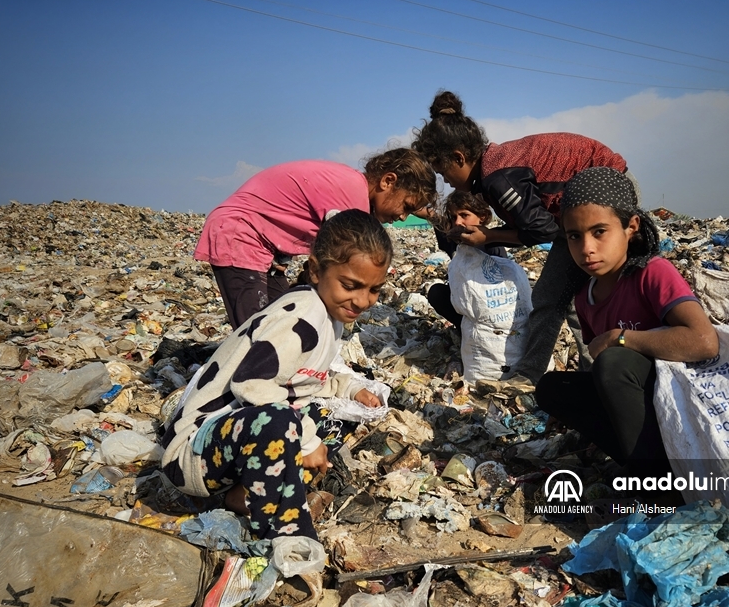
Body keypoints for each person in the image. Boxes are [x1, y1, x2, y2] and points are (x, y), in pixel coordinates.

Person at [161, 209, 391, 542]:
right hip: (191, 456)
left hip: (228, 447)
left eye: (374, 290)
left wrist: (349, 387)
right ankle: (285, 533)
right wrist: (308, 441)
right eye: (351, 285)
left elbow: (302, 378)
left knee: (327, 420)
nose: (363, 300)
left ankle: (240, 495)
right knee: (282, 423)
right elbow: (251, 383)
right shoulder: (302, 317)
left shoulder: (329, 315)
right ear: (315, 269)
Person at [411, 90, 630, 385]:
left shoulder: (498, 176)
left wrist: (488, 236)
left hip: (606, 193)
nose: (446, 180)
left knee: (584, 295)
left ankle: (593, 375)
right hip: (583, 206)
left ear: (459, 157)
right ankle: (548, 374)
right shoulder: (491, 171)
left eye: (443, 172)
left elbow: (543, 231)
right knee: (558, 296)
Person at [535, 167, 719, 475]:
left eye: (599, 232)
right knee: (552, 389)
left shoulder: (651, 273)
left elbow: (703, 341)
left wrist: (621, 338)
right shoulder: (585, 296)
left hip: (680, 404)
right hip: (636, 404)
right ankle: (632, 457)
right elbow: (602, 373)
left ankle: (660, 483)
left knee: (615, 362)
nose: (587, 249)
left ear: (630, 227)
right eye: (574, 236)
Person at [194, 149, 436, 328]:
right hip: (240, 234)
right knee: (255, 332)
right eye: (406, 206)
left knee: (282, 321)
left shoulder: (354, 188)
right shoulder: (353, 196)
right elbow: (333, 268)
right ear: (388, 181)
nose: (403, 217)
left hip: (264, 245)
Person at [426, 190, 507, 328]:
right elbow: (434, 217)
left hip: (490, 306)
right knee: (436, 293)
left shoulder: (492, 244)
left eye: (464, 215)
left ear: (482, 216)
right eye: (453, 217)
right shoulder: (453, 240)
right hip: (464, 306)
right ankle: (465, 330)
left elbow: (503, 286)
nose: (458, 222)